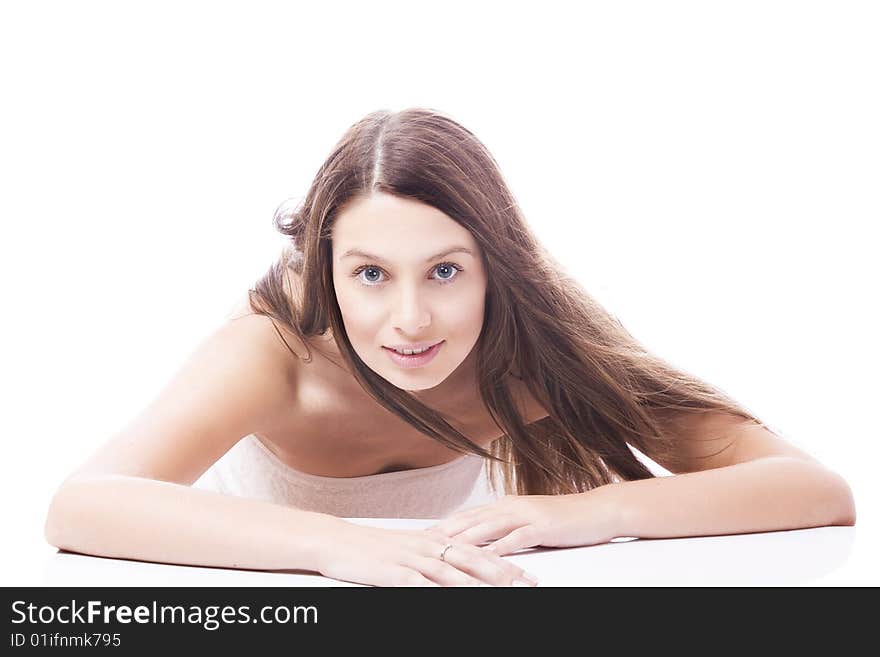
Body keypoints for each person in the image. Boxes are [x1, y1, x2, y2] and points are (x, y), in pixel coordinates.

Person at [44, 107, 856, 587]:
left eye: (444, 270)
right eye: (369, 273)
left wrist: (592, 511)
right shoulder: (277, 350)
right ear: (325, 266)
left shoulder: (535, 350)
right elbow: (82, 504)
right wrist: (339, 549)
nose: (411, 320)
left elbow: (811, 488)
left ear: (494, 269)